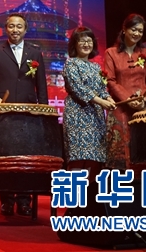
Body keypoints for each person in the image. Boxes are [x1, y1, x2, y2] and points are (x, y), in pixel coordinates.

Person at [0, 12, 47, 216]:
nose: (15, 30)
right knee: (6, 156)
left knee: (27, 157)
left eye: (19, 26)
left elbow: (41, 84)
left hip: (29, 113)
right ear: (6, 29)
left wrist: (44, 110)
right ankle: (7, 199)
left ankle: (25, 200)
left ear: (25, 30)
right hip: (5, 113)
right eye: (11, 26)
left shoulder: (35, 52)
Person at [104, 13, 146, 170]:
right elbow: (110, 80)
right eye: (134, 29)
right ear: (124, 29)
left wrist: (144, 99)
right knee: (120, 152)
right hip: (121, 107)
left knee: (144, 150)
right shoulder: (111, 53)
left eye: (140, 31)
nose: (137, 33)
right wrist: (129, 99)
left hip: (143, 107)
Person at [62, 27, 115, 182]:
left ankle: (90, 193)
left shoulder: (96, 66)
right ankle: (75, 195)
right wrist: (101, 101)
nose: (86, 44)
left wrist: (109, 98)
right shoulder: (71, 64)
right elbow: (78, 88)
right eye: (82, 41)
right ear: (75, 44)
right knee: (78, 157)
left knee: (95, 157)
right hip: (77, 115)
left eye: (89, 40)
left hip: (95, 117)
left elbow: (101, 89)